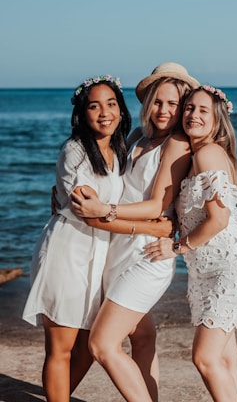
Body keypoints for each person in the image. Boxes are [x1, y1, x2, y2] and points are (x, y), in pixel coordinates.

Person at [22, 74, 172, 402]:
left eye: (111, 103)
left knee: (90, 348)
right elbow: (90, 213)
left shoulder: (121, 147)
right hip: (68, 253)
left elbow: (109, 204)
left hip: (101, 256)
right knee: (61, 348)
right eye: (94, 106)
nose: (105, 112)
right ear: (81, 114)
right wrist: (154, 228)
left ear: (121, 110)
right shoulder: (75, 151)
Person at [70, 63, 200, 401]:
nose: (163, 110)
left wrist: (105, 212)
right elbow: (111, 179)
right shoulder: (137, 137)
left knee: (102, 344)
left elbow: (158, 205)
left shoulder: (177, 144)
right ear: (148, 103)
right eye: (158, 101)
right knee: (142, 337)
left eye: (173, 104)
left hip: (147, 253)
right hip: (119, 249)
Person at [143, 85, 237, 401]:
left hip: (229, 269)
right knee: (223, 359)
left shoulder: (208, 153)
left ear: (217, 118)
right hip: (205, 274)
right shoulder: (197, 154)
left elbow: (218, 220)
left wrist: (177, 248)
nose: (193, 115)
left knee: (205, 358)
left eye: (202, 110)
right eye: (189, 108)